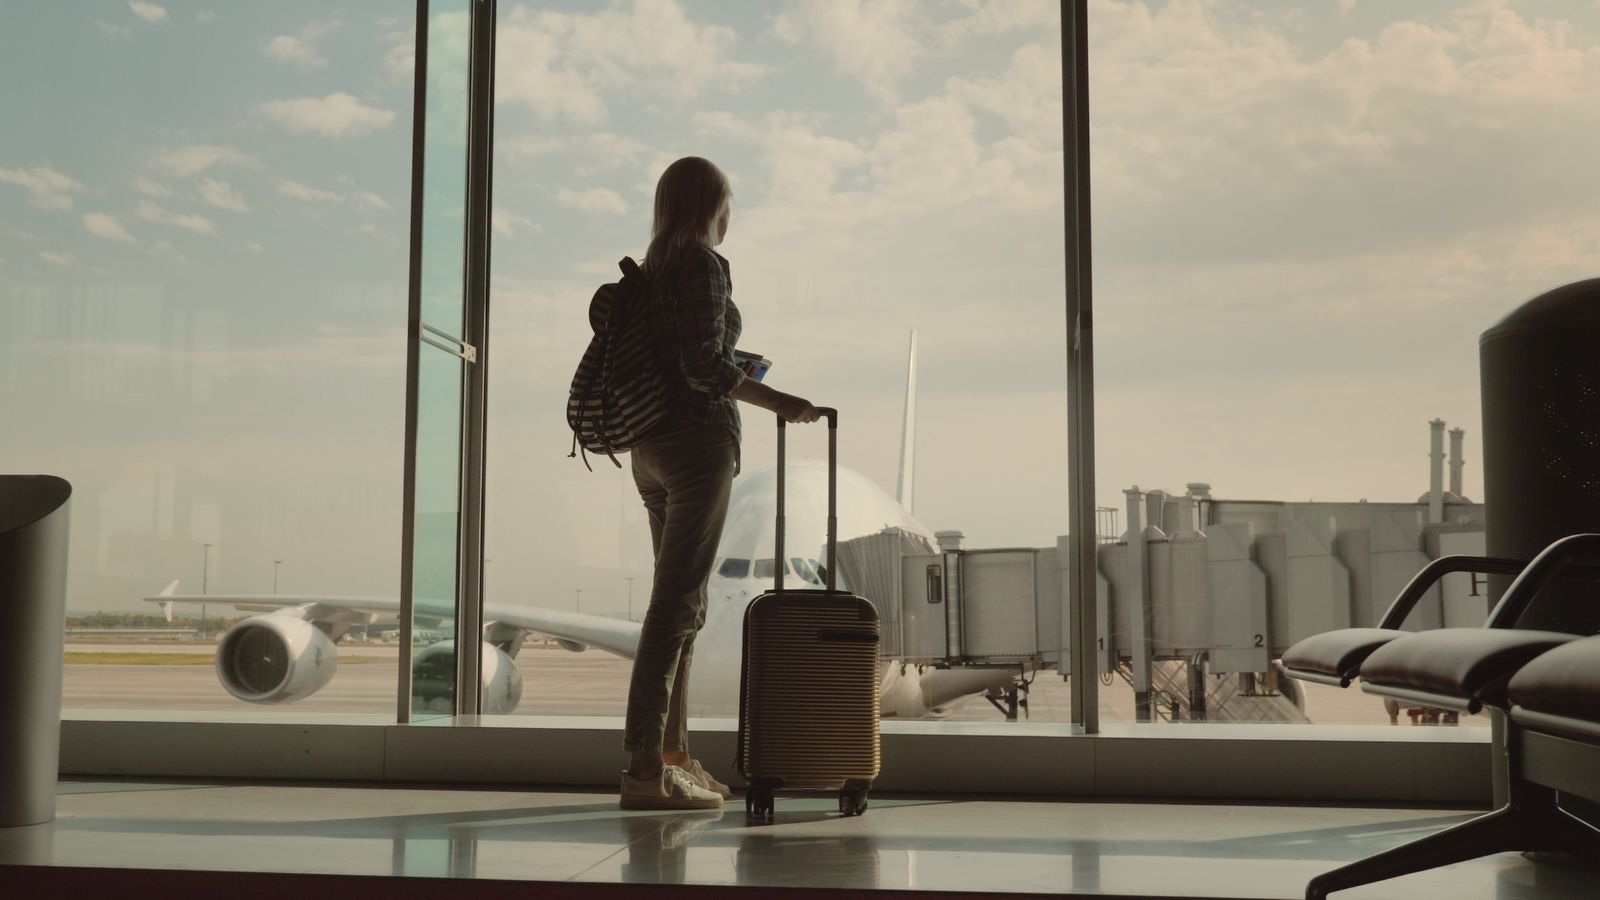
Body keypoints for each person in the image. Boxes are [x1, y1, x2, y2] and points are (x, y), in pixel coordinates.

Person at [619, 156, 820, 810]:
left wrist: (734, 365)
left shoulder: (651, 270)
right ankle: (646, 769)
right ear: (712, 207)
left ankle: (673, 756)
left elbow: (680, 358)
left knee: (683, 604)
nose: (730, 217)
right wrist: (781, 399)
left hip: (647, 447)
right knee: (675, 609)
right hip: (694, 446)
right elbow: (705, 370)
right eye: (727, 205)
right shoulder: (701, 264)